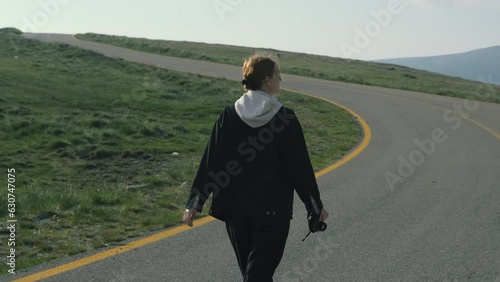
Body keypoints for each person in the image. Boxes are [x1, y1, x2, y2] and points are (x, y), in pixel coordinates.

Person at [183, 54, 328, 281]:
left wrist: (195, 202)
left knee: (254, 276)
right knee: (257, 277)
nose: (281, 80)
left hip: (235, 211)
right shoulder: (285, 118)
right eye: (279, 76)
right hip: (272, 212)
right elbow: (299, 167)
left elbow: (212, 160)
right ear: (268, 80)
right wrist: (313, 204)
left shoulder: (229, 115)